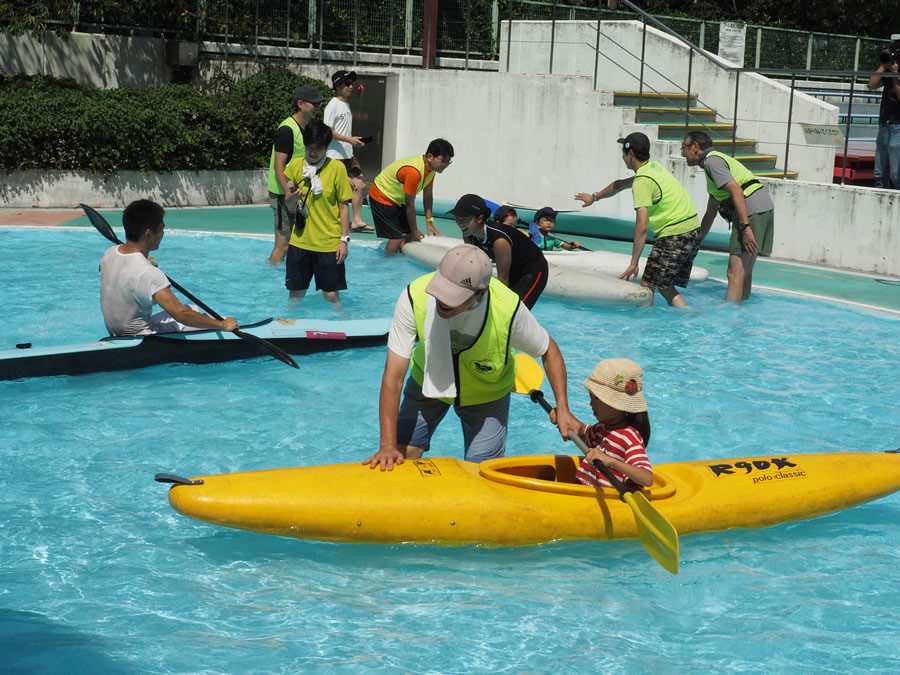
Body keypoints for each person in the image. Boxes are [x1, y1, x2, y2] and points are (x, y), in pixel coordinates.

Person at [363, 244, 579, 470]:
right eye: (441, 290)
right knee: (398, 459)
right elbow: (393, 376)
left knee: (482, 473)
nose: (442, 301)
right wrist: (386, 445)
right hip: (426, 382)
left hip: (487, 395)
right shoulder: (414, 296)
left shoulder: (508, 309)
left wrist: (563, 408)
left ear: (480, 293)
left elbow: (549, 350)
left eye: (453, 297)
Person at [575, 132, 701, 307]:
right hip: (692, 232)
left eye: (622, 150)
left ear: (630, 153)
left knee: (647, 287)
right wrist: (594, 197)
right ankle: (689, 320)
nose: (621, 155)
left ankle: (642, 331)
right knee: (664, 285)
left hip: (675, 235)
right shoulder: (653, 168)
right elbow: (619, 185)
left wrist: (634, 262)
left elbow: (641, 227)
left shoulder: (642, 180)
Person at [99, 199, 238, 336]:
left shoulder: (110, 254)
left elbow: (123, 272)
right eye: (161, 229)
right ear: (148, 234)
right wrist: (222, 325)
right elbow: (181, 315)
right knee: (206, 318)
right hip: (145, 337)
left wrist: (142, 262)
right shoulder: (149, 274)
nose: (163, 234)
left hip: (115, 333)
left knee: (192, 309)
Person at [681, 130, 775, 303]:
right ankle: (742, 310)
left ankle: (729, 318)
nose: (682, 153)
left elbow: (737, 191)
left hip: (750, 208)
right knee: (744, 271)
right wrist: (697, 242)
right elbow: (710, 213)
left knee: (734, 271)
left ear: (694, 147)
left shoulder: (711, 162)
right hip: (762, 206)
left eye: (683, 148)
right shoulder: (715, 164)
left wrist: (745, 227)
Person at [282, 120, 353, 310]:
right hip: (300, 242)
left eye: (318, 148)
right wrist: (292, 197)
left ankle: (343, 325)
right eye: (309, 147)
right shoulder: (295, 167)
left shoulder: (337, 169)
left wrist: (343, 240)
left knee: (330, 295)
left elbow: (344, 206)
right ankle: (288, 326)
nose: (313, 152)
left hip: (329, 243)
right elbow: (287, 203)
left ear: (326, 146)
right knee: (295, 294)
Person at [551, 358, 653, 488]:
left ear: (618, 404)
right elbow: (581, 431)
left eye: (597, 399)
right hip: (582, 493)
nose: (591, 404)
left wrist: (610, 461)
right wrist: (562, 415)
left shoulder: (629, 438)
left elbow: (647, 478)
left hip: (603, 502)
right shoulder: (602, 428)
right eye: (591, 397)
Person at [450, 194, 549, 310]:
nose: (460, 223)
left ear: (480, 218)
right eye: (457, 218)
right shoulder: (468, 234)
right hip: (513, 267)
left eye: (464, 219)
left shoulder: (499, 241)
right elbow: (474, 268)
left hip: (534, 269)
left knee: (516, 311)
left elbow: (503, 279)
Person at [266, 84, 324, 265]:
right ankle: (269, 276)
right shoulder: (287, 130)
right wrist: (288, 195)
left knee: (294, 242)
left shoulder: (305, 127)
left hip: (295, 193)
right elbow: (278, 165)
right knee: (283, 245)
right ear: (300, 104)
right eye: (315, 104)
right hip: (284, 194)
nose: (318, 108)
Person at [369, 138, 454, 255]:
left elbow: (428, 196)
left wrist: (429, 222)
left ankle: (399, 259)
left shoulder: (431, 169)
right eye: (443, 161)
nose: (445, 165)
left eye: (448, 161)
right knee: (396, 238)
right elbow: (409, 204)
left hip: (396, 200)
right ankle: (386, 265)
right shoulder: (414, 171)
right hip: (381, 196)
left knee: (408, 235)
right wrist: (414, 230)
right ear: (430, 157)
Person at [323, 69, 374, 233]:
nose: (351, 86)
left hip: (347, 154)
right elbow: (328, 131)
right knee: (338, 191)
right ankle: (331, 222)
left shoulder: (346, 104)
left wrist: (353, 142)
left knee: (359, 183)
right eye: (347, 83)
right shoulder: (332, 105)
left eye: (352, 83)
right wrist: (349, 140)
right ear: (337, 85)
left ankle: (357, 220)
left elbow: (343, 131)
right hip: (334, 156)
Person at [867, 36, 900, 189]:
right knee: (879, 173)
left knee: (896, 174)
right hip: (885, 123)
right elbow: (871, 85)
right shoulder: (889, 69)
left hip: (898, 126)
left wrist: (895, 76)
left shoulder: (895, 73)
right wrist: (884, 64)